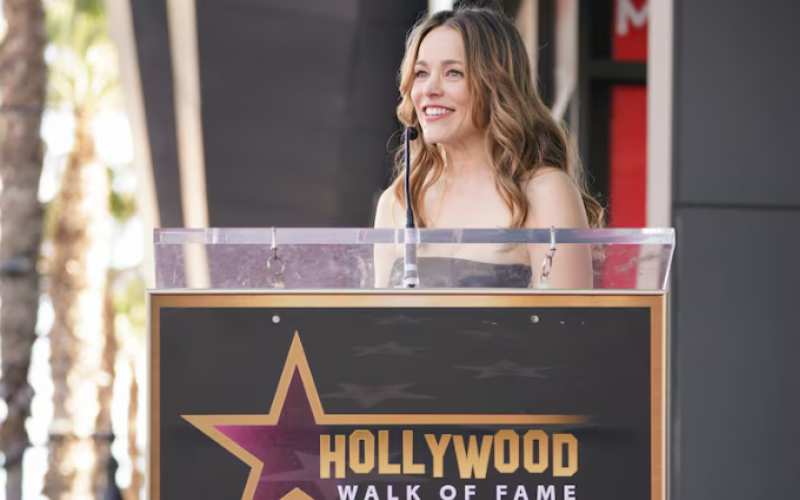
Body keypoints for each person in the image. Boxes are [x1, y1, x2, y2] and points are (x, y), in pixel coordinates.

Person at [373, 6, 604, 289]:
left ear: (496, 85)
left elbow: (571, 317)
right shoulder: (396, 202)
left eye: (453, 73)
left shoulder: (545, 193)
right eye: (421, 73)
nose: (429, 89)